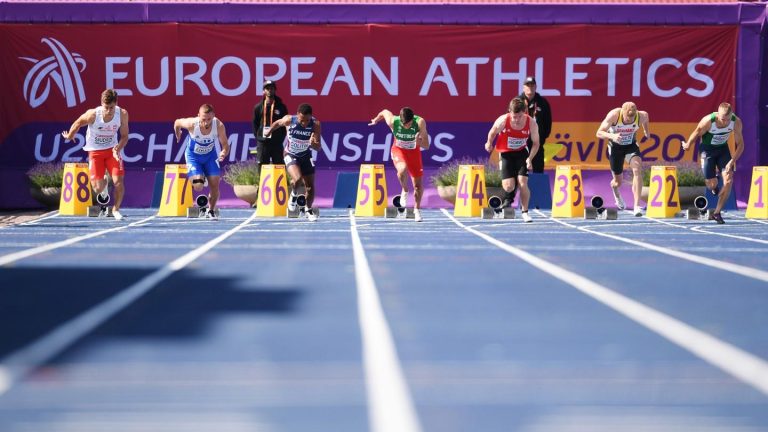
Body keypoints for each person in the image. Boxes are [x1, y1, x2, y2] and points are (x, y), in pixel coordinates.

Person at [61, 88, 129, 220]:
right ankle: (104, 183)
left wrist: (118, 148)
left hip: (112, 151)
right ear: (101, 104)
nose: (108, 111)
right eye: (106, 107)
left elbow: (125, 136)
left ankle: (116, 210)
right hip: (95, 151)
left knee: (118, 182)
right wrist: (70, 135)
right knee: (97, 188)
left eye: (111, 107)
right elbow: (78, 123)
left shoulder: (122, 114)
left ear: (116, 103)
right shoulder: (93, 114)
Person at [682, 102, 744, 224]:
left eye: (727, 119)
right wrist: (688, 144)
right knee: (711, 184)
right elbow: (696, 132)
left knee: (728, 181)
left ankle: (717, 212)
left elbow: (741, 145)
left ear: (731, 115)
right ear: (717, 115)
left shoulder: (736, 122)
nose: (725, 122)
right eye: (722, 119)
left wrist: (732, 161)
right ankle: (714, 186)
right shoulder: (708, 121)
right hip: (707, 150)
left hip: (722, 150)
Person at [369, 107, 429, 222]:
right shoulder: (393, 121)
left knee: (417, 186)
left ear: (413, 120)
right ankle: (405, 190)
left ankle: (416, 210)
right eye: (404, 124)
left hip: (414, 153)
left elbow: (426, 145)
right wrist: (376, 120)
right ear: (400, 120)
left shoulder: (420, 122)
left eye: (409, 124)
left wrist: (418, 142)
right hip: (398, 150)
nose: (406, 126)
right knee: (402, 170)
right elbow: (384, 112)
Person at [484, 97, 540, 223]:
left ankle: (525, 212)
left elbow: (536, 143)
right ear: (510, 112)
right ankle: (508, 198)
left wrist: (530, 159)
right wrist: (488, 143)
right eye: (514, 117)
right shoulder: (503, 120)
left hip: (521, 153)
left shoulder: (531, 123)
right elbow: (492, 132)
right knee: (509, 187)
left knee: (523, 182)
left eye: (520, 116)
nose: (517, 120)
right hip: (506, 153)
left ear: (524, 112)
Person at [265, 103, 321, 222]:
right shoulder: (289, 120)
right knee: (297, 179)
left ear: (311, 117)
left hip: (306, 155)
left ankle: (308, 209)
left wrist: (313, 144)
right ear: (297, 115)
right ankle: (294, 195)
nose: (304, 123)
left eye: (307, 120)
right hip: (290, 154)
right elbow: (277, 123)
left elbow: (318, 147)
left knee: (310, 187)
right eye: (302, 120)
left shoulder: (315, 124)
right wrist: (269, 131)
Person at [173, 103, 230, 220]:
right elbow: (177, 122)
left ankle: (211, 210)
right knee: (198, 185)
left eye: (209, 119)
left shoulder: (219, 125)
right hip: (193, 157)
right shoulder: (191, 124)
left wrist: (223, 152)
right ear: (198, 115)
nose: (206, 122)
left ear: (213, 116)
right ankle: (201, 177)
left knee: (215, 185)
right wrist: (178, 132)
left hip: (210, 157)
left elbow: (225, 145)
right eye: (203, 119)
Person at [596, 101, 650, 217]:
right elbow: (599, 133)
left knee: (637, 169)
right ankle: (616, 193)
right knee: (617, 182)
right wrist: (612, 136)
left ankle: (636, 206)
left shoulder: (642, 115)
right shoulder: (614, 115)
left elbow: (646, 120)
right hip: (615, 148)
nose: (629, 121)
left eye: (632, 119)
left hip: (631, 146)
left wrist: (646, 131)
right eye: (627, 119)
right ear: (622, 113)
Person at [518, 76, 552, 173]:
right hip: (520, 143)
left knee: (538, 170)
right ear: (523, 87)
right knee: (521, 171)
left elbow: (548, 122)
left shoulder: (542, 102)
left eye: (532, 85)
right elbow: (510, 119)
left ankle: (537, 184)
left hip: (537, 141)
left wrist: (542, 137)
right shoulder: (517, 102)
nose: (530, 87)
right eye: (527, 85)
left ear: (536, 87)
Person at [252, 80, 288, 167]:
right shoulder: (258, 107)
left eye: (271, 88)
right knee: (262, 165)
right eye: (267, 89)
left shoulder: (281, 107)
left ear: (275, 90)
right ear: (263, 91)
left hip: (277, 142)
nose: (269, 90)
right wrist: (259, 137)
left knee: (279, 165)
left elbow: (285, 124)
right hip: (263, 142)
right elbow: (255, 124)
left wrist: (280, 137)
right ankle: (262, 178)